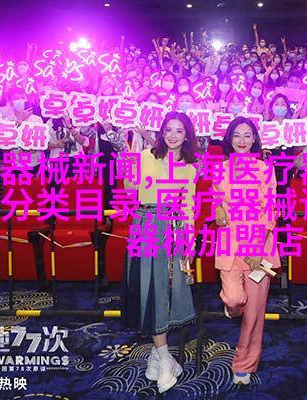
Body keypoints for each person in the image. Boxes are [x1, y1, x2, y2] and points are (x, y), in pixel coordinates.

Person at [122, 111, 198, 393]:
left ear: (187, 135)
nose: (173, 135)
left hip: (171, 227)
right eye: (169, 129)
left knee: (165, 289)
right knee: (148, 288)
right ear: (162, 132)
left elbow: (188, 206)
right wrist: (131, 161)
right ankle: (164, 357)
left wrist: (190, 240)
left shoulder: (189, 168)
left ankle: (159, 356)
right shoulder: (145, 156)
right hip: (144, 225)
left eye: (179, 131)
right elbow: (129, 188)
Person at [213, 116, 280, 385]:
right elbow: (216, 201)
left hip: (259, 247)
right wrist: (217, 210)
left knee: (254, 313)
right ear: (230, 139)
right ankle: (233, 309)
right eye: (237, 135)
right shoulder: (220, 169)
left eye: (247, 135)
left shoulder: (264, 169)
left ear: (254, 139)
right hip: (230, 245)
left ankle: (245, 362)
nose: (241, 140)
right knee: (234, 299)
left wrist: (257, 247)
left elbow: (270, 208)